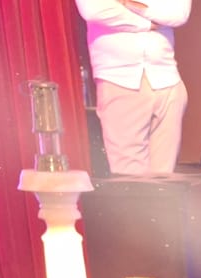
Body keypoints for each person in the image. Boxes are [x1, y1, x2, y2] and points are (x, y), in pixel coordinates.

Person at [77, 0, 192, 176]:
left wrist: (130, 4)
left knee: (165, 180)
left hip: (167, 77)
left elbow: (178, 13)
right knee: (130, 177)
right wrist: (146, 24)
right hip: (120, 78)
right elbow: (94, 9)